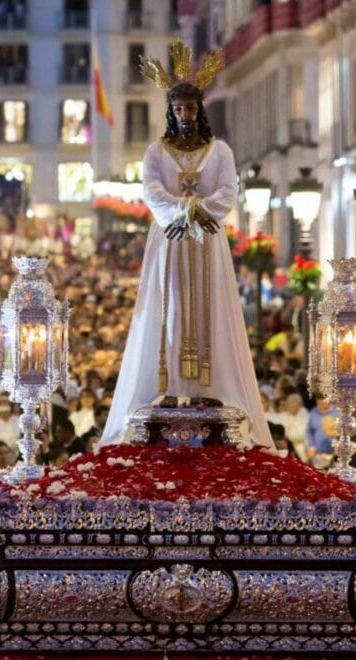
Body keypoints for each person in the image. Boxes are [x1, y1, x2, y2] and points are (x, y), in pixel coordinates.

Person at [102, 43, 273, 448]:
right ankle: (172, 384)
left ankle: (208, 384)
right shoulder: (155, 152)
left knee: (209, 307)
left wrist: (196, 213)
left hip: (206, 239)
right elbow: (152, 190)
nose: (185, 116)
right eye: (178, 110)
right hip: (171, 239)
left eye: (191, 109)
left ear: (200, 110)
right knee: (171, 308)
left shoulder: (221, 151)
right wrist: (183, 213)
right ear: (171, 112)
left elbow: (228, 191)